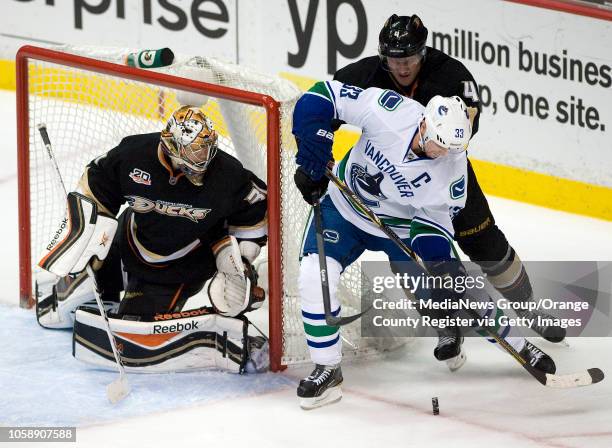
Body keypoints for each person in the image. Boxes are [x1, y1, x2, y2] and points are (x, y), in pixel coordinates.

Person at [291, 80, 556, 409]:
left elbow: (434, 225)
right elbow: (321, 96)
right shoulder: (390, 110)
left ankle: (519, 344)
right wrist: (313, 151)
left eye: (450, 150)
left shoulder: (452, 170)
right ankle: (328, 368)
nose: (442, 154)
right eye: (438, 145)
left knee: (458, 285)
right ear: (425, 125)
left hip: (399, 228)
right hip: (344, 207)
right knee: (313, 276)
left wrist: (440, 264)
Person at [332, 14, 566, 358]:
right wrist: (319, 142)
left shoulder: (451, 75)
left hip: (447, 177)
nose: (402, 67)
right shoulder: (365, 74)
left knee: (485, 243)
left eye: (409, 58)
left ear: (422, 53)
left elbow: (470, 123)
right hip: (396, 188)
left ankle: (528, 307)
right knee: (409, 257)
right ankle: (444, 324)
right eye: (395, 60)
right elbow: (331, 102)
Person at [37, 105, 269, 373]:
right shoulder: (134, 153)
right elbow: (98, 182)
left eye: (205, 148)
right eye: (193, 151)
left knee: (130, 325)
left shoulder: (228, 174)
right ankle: (78, 288)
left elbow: (255, 210)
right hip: (128, 238)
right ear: (171, 146)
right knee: (78, 292)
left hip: (181, 266)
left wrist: (240, 261)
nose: (202, 158)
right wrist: (88, 234)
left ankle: (133, 293)